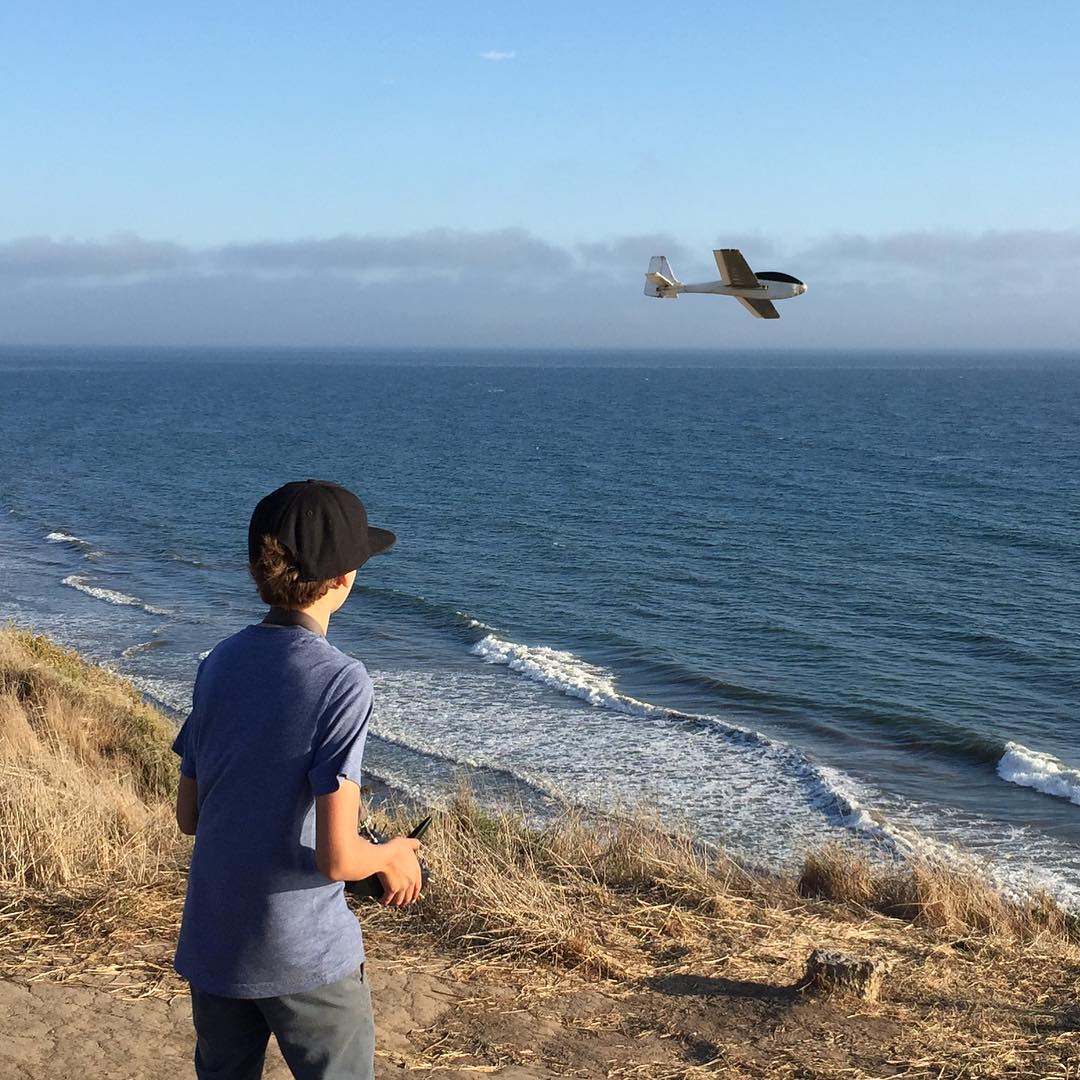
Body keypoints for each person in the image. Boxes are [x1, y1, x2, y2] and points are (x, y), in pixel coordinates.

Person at [172, 479, 423, 1080]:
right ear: (344, 579)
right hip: (302, 951)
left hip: (215, 941)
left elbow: (191, 816)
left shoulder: (219, 663)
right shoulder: (342, 681)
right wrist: (390, 856)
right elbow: (338, 859)